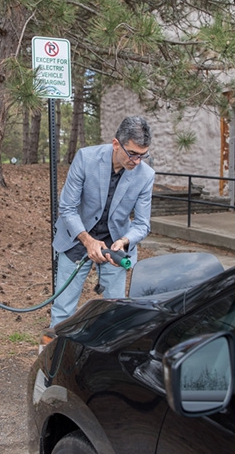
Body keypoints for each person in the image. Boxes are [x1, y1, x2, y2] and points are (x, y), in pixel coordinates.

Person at [48, 115, 155, 328]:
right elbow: (67, 207)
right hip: (76, 237)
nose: (136, 161)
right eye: (132, 154)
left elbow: (142, 224)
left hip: (115, 244)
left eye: (142, 156)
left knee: (115, 310)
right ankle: (55, 353)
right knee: (63, 307)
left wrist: (125, 241)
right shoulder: (86, 158)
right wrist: (88, 241)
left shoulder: (146, 175)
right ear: (116, 144)